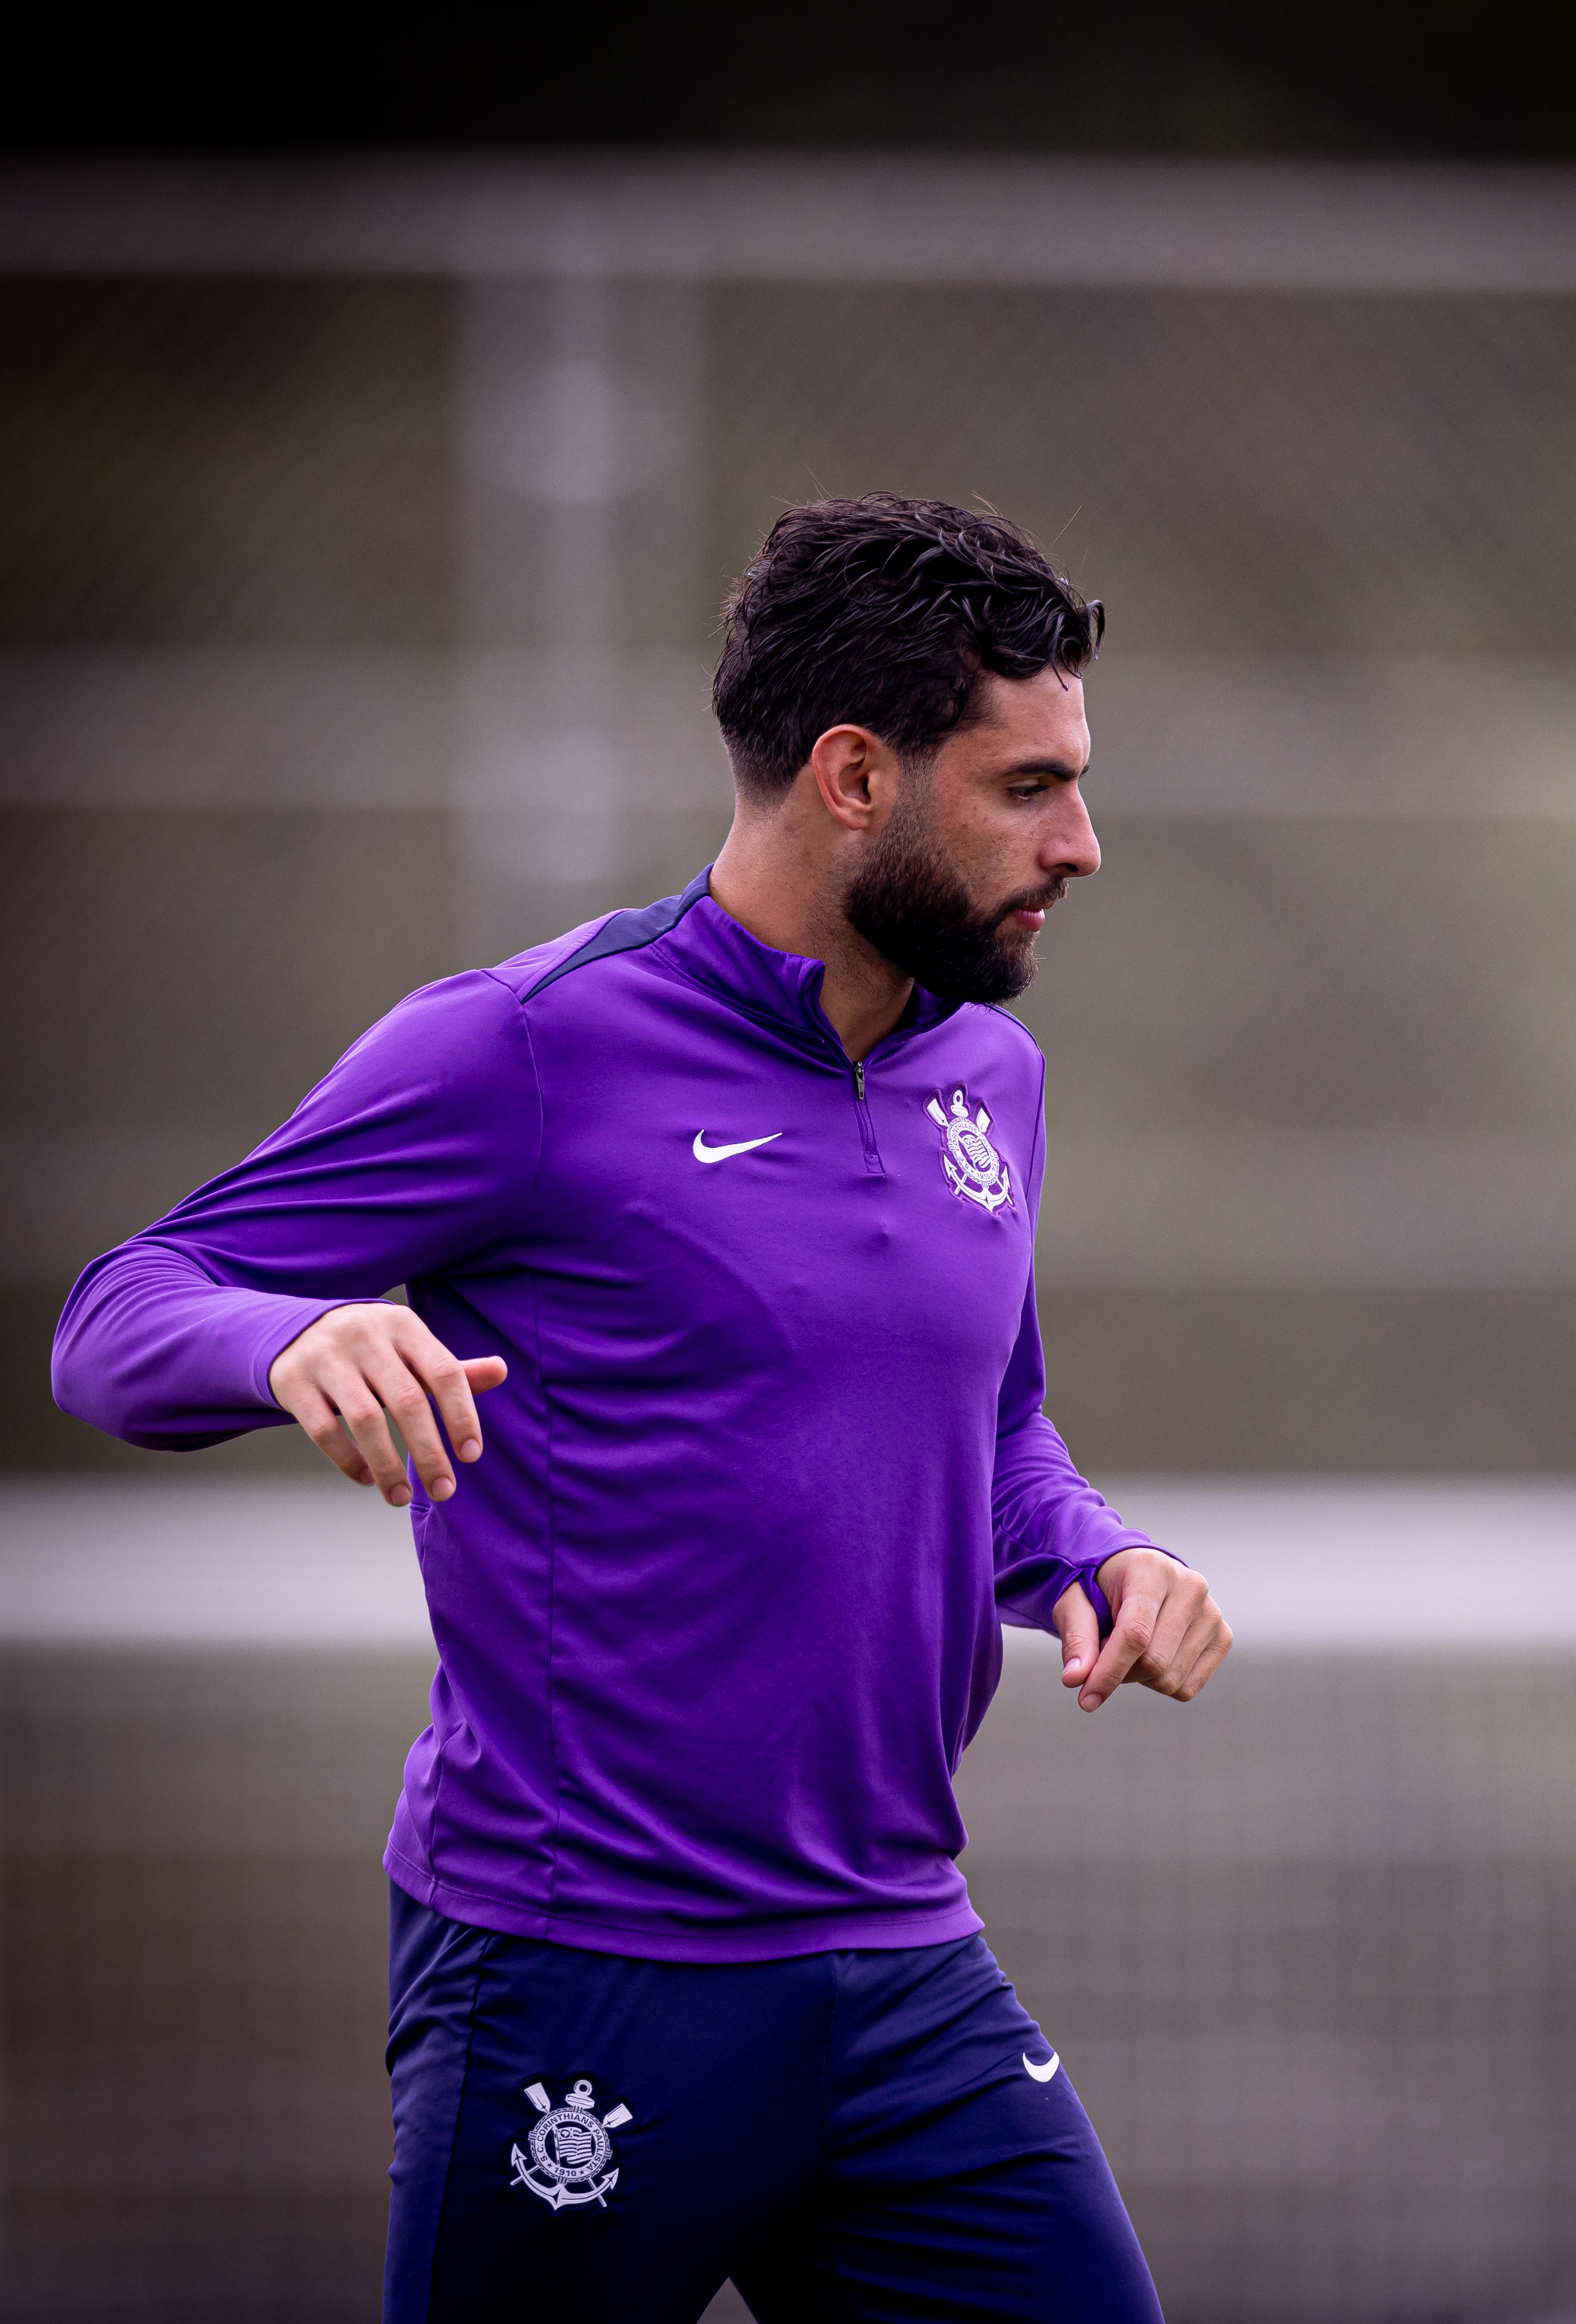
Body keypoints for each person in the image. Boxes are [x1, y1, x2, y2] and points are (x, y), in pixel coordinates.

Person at [50, 493, 1233, 2322]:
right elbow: (119, 1315)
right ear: (852, 775)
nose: (1080, 842)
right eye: (1025, 787)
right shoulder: (525, 1049)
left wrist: (1092, 1550)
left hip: (907, 1967)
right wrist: (285, 1345)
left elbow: (988, 1424)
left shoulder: (990, 1072)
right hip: (573, 1974)